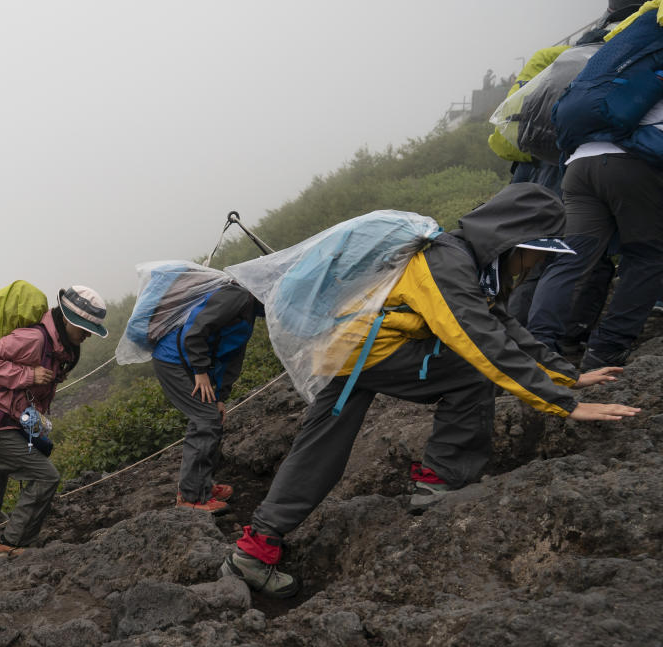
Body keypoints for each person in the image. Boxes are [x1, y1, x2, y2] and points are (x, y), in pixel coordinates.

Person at [220, 183, 640, 598]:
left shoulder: (463, 260)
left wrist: (567, 376)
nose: (537, 263)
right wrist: (564, 405)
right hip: (366, 350)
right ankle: (441, 480)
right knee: (472, 372)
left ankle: (254, 548)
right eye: (539, 251)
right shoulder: (446, 265)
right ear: (515, 240)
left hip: (341, 349)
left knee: (320, 446)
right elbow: (480, 340)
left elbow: (501, 325)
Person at [527, 2, 663, 368]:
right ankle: (606, 351)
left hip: (579, 162)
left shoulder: (617, 43)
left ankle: (539, 348)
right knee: (648, 255)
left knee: (571, 258)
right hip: (630, 162)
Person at [0, 286, 108, 571]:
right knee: (45, 477)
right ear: (67, 319)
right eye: (83, 326)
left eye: (91, 328)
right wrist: (26, 375)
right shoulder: (33, 339)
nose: (87, 334)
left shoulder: (62, 349)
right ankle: (13, 543)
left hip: (2, 422)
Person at [152, 281, 261, 513]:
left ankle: (201, 485)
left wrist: (220, 396)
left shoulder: (250, 308)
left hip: (189, 361)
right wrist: (200, 371)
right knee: (206, 419)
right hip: (172, 360)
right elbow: (196, 330)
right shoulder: (239, 296)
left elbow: (231, 357)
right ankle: (191, 498)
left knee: (211, 417)